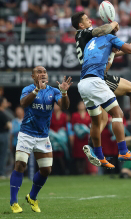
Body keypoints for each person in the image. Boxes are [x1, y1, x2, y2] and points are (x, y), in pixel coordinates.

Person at [71, 12, 131, 158]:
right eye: (87, 19)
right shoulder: (84, 33)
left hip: (89, 75)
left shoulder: (87, 39)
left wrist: (125, 49)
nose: (90, 20)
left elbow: (105, 51)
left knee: (103, 118)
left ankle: (91, 146)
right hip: (98, 76)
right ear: (81, 25)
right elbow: (102, 31)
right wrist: (113, 23)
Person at [9, 66, 72, 213]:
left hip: (43, 136)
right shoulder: (27, 89)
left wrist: (64, 92)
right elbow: (24, 103)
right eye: (39, 72)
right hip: (26, 133)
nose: (42, 74)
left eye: (44, 72)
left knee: (46, 170)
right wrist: (36, 90)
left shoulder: (53, 91)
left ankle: (32, 197)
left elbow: (65, 106)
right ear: (33, 76)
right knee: (20, 166)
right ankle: (13, 202)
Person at [0, 97, 12, 179]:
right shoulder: (3, 113)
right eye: (5, 102)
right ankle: (1, 173)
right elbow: (9, 126)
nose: (6, 103)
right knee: (3, 155)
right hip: (3, 135)